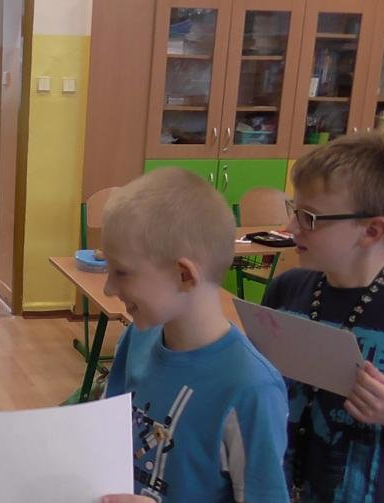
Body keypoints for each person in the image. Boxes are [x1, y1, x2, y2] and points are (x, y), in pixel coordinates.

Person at [99, 168, 289, 502]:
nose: (109, 288)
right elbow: (106, 439)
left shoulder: (251, 389)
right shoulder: (136, 339)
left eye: (122, 272)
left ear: (184, 275)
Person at [262, 132, 384, 502]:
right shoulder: (287, 289)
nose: (291, 228)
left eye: (309, 218)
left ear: (372, 231)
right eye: (293, 210)